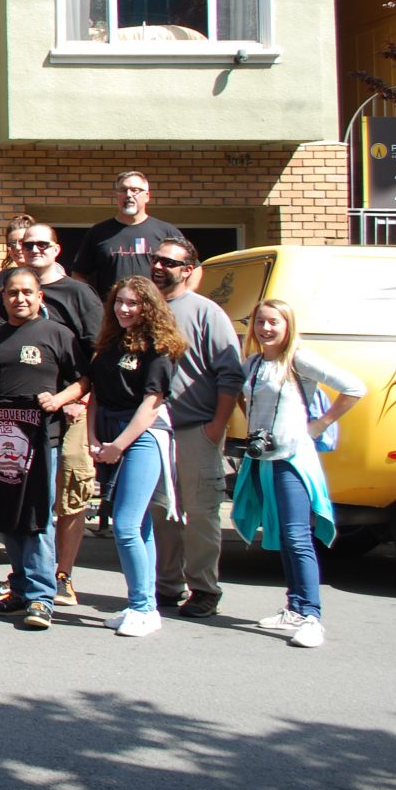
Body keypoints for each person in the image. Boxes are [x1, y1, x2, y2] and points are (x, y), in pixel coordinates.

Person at [232, 299, 364, 649]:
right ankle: (294, 607)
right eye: (260, 321)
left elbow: (353, 387)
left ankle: (312, 617)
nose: (265, 329)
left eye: (273, 322)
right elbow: (245, 399)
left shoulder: (298, 360)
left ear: (288, 325)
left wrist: (318, 424)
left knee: (296, 535)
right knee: (278, 534)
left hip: (293, 458)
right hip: (264, 460)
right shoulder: (254, 363)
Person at [0, 267, 82, 631]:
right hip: (0, 442)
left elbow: (83, 381)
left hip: (42, 441)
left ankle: (42, 598)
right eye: (13, 293)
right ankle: (21, 589)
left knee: (37, 519)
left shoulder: (58, 334)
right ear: (3, 298)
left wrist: (59, 399)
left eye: (27, 292)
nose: (20, 299)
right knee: (8, 518)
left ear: (39, 296)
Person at [76, 277, 185, 637]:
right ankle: (143, 602)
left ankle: (143, 607)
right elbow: (95, 395)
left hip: (142, 438)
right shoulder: (108, 344)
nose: (124, 309)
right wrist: (93, 439)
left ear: (148, 307)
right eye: (119, 301)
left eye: (133, 303)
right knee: (139, 527)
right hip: (108, 435)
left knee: (124, 525)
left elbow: (151, 406)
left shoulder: (159, 348)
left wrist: (118, 445)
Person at [150, 234, 246, 619]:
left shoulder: (207, 313)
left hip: (196, 429)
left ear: (188, 271)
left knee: (201, 513)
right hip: (155, 430)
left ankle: (204, 588)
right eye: (156, 259)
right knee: (161, 511)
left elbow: (230, 374)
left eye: (169, 262)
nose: (159, 266)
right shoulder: (144, 308)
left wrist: (215, 427)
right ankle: (167, 585)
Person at [5, 223, 102, 604]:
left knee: (69, 496)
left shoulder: (79, 293)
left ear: (57, 249)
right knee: (29, 498)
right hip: (27, 416)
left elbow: (97, 349)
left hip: (75, 408)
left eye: (43, 243)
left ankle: (61, 575)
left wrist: (80, 398)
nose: (35, 249)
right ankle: (28, 576)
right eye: (28, 244)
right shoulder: (13, 288)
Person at [73, 171, 181, 296]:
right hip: (113, 311)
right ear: (117, 195)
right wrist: (93, 303)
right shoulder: (98, 232)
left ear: (147, 196)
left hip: (155, 311)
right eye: (123, 190)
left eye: (135, 190)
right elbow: (78, 274)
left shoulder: (166, 231)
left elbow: (194, 269)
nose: (128, 195)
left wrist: (177, 299)